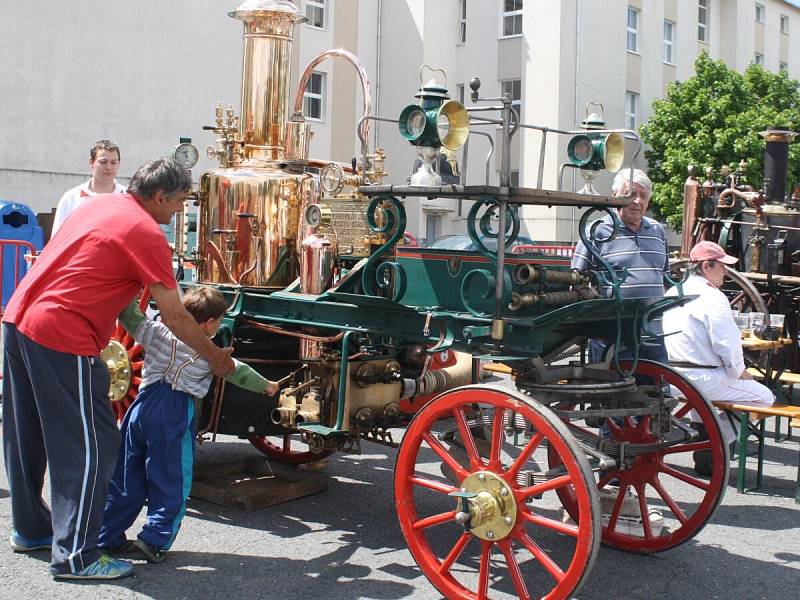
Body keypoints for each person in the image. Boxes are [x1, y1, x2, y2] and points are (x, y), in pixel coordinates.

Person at [2, 158, 235, 580]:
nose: (181, 210)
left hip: (19, 319)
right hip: (63, 333)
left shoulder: (98, 206)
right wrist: (215, 357)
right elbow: (178, 317)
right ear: (160, 197)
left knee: (27, 436)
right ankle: (77, 557)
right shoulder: (147, 233)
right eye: (181, 200)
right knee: (92, 446)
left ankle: (31, 529)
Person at [98, 287, 280, 563]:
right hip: (174, 410)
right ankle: (155, 539)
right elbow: (237, 372)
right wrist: (267, 386)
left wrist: (123, 286)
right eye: (218, 322)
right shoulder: (209, 352)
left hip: (140, 407)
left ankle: (107, 536)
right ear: (209, 323)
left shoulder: (158, 332)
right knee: (171, 478)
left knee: (126, 475)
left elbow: (131, 318)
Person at [662, 240, 774, 474]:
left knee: (705, 401)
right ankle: (713, 443)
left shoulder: (673, 291)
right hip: (702, 378)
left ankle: (704, 433)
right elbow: (727, 344)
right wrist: (740, 373)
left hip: (671, 376)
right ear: (706, 266)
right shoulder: (714, 297)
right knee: (764, 396)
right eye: (721, 266)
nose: (725, 271)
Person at [571, 168, 670, 364]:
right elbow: (576, 281)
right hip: (610, 337)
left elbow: (665, 278)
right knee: (609, 393)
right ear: (614, 195)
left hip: (652, 334)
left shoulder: (657, 231)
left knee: (657, 392)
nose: (637, 201)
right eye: (631, 194)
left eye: (643, 196)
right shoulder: (596, 230)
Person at [51, 139, 126, 237]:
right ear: (91, 162)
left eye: (113, 162)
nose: (109, 167)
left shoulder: (128, 197)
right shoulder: (72, 198)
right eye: (103, 162)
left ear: (119, 164)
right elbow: (57, 238)